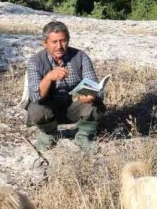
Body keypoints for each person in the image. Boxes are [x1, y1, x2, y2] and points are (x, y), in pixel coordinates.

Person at [24, 21, 105, 151]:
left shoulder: (81, 57)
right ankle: (50, 134)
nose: (59, 46)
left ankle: (83, 136)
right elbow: (35, 97)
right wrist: (49, 77)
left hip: (74, 106)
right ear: (45, 43)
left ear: (68, 40)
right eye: (54, 42)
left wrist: (91, 97)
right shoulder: (36, 61)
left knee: (97, 106)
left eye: (63, 41)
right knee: (35, 109)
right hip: (49, 110)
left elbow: (97, 89)